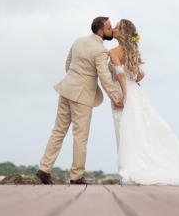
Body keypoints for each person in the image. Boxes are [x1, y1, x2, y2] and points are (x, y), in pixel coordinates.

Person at [109, 19, 179, 185]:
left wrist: (124, 96)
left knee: (125, 130)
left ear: (122, 33)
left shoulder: (114, 52)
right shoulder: (133, 50)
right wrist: (133, 85)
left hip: (125, 93)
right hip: (136, 92)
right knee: (140, 128)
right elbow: (139, 75)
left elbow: (121, 75)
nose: (113, 29)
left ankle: (130, 166)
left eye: (116, 27)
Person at [37, 17, 124, 185]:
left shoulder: (78, 40)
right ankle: (76, 176)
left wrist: (74, 78)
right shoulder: (100, 50)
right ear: (100, 31)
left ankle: (44, 168)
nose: (111, 29)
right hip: (82, 95)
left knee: (58, 131)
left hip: (66, 88)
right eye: (108, 27)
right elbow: (104, 77)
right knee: (80, 137)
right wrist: (115, 97)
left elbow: (68, 63)